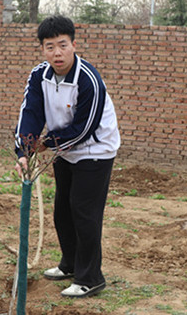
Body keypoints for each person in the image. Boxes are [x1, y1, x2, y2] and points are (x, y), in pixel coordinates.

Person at [14, 15, 120, 298]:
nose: (57, 53)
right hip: (63, 149)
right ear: (42, 49)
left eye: (62, 45)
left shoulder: (89, 80)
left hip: (95, 149)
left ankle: (91, 278)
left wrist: (47, 143)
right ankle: (70, 264)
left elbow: (84, 128)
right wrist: (23, 151)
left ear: (73, 44)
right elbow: (31, 113)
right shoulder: (39, 76)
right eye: (50, 47)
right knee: (62, 211)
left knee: (84, 212)